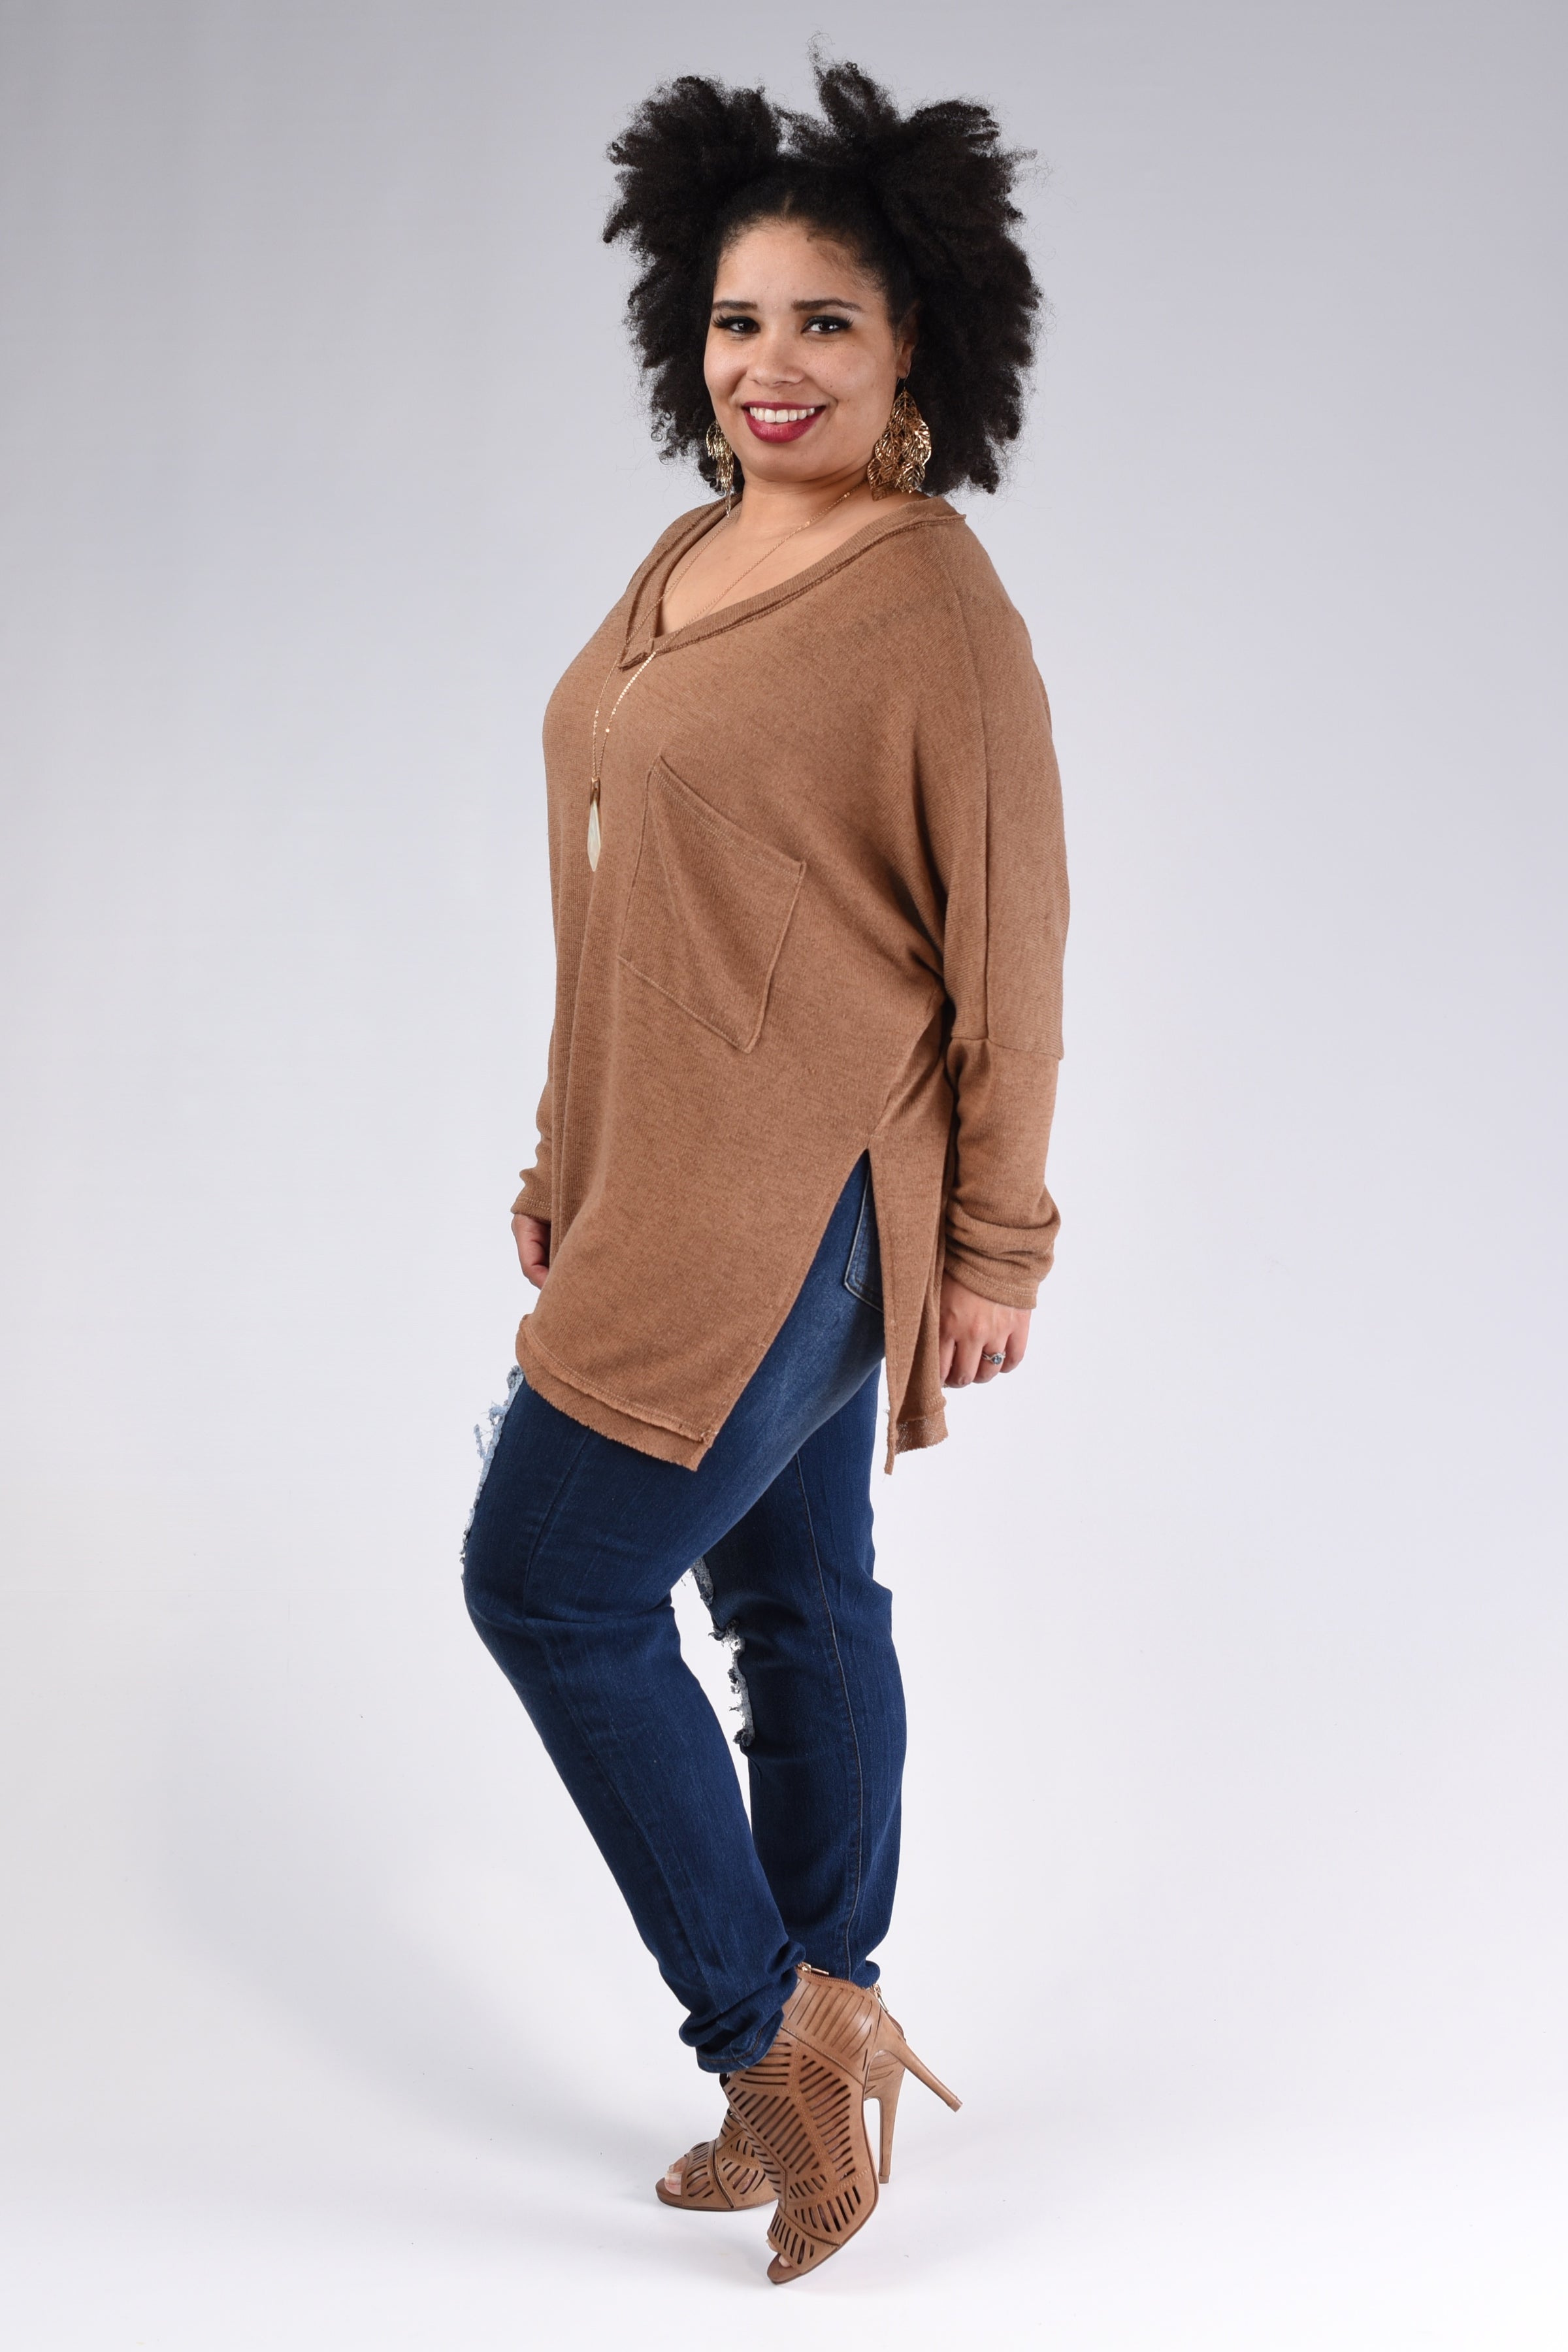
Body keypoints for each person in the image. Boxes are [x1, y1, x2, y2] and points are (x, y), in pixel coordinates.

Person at [461, 57, 1068, 2284]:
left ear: (917, 349)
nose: (771, 363)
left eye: (826, 320)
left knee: (548, 1583)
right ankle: (839, 2011)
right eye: (738, 320)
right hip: (662, 1171)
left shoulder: (935, 608)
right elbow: (622, 889)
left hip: (805, 1197)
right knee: (796, 1604)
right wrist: (567, 1146)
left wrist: (996, 1243)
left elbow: (1016, 942)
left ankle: (772, 2046)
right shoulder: (693, 548)